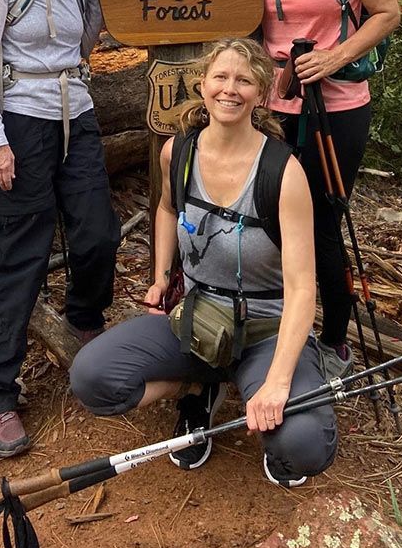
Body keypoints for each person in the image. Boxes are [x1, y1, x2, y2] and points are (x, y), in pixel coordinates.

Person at [71, 38, 337, 488]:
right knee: (93, 378)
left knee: (303, 445)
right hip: (196, 319)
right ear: (203, 82)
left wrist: (276, 382)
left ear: (260, 93)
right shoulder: (179, 153)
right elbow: (167, 209)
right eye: (220, 76)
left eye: (244, 80)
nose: (229, 89)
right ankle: (198, 386)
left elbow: (302, 288)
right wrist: (160, 277)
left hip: (266, 329)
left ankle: (265, 403)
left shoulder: (283, 173)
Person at [0, 0, 121, 458]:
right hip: (21, 120)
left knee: (98, 233)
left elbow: (87, 43)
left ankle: (85, 318)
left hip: (75, 114)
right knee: (20, 254)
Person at [259, 0, 400, 378]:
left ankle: (336, 338)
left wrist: (335, 55)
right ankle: (276, 329)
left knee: (319, 224)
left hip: (337, 105)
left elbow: (386, 12)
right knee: (270, 219)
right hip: (273, 107)